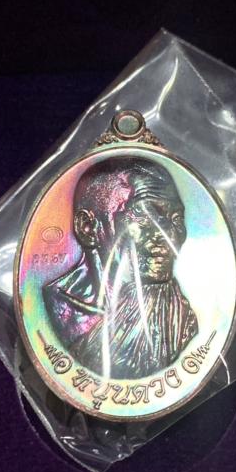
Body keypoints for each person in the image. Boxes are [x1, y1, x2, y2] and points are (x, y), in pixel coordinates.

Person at [43, 156, 198, 379]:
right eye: (144, 215)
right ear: (88, 228)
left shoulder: (179, 312)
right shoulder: (60, 307)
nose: (168, 236)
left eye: (175, 218)